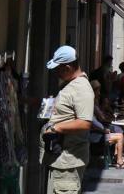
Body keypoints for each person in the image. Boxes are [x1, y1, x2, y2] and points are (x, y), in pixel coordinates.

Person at [40, 45, 95, 194]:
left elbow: (85, 122)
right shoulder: (70, 83)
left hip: (68, 162)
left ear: (68, 67)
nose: (56, 72)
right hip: (60, 160)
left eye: (58, 68)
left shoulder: (82, 88)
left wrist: (56, 128)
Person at [90, 80, 124, 167]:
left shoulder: (95, 102)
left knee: (119, 131)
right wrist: (104, 130)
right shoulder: (91, 105)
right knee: (120, 135)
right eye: (97, 90)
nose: (99, 93)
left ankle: (117, 157)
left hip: (99, 131)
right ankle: (119, 161)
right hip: (95, 135)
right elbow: (94, 123)